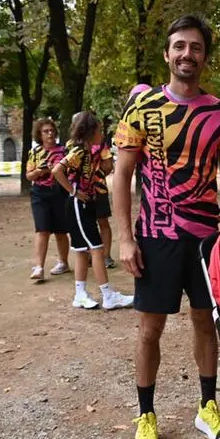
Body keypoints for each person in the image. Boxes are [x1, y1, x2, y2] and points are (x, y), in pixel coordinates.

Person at [113, 14, 220, 439]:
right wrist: (125, 239)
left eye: (196, 48)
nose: (188, 54)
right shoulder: (142, 109)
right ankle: (145, 417)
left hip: (206, 239)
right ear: (168, 54)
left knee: (206, 323)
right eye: (179, 47)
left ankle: (207, 407)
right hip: (156, 236)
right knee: (150, 330)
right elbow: (122, 175)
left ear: (205, 56)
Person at [51, 111, 134, 310]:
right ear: (90, 132)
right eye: (99, 130)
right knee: (96, 249)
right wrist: (74, 192)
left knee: (81, 251)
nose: (102, 133)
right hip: (79, 205)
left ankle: (80, 294)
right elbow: (56, 170)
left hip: (84, 204)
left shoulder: (88, 151)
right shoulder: (79, 151)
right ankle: (107, 295)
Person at [26, 118, 71, 281]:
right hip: (40, 193)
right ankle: (39, 267)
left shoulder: (64, 151)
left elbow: (70, 171)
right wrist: (39, 171)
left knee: (60, 231)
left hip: (59, 192)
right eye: (46, 131)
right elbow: (28, 175)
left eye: (52, 130)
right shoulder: (35, 152)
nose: (50, 134)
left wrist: (57, 171)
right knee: (42, 230)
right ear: (39, 134)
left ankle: (63, 262)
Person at [93, 119, 115, 269]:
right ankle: (90, 254)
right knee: (87, 224)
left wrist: (98, 175)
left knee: (103, 221)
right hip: (81, 191)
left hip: (99, 189)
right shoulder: (71, 145)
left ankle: (106, 255)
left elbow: (109, 165)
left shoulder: (100, 144)